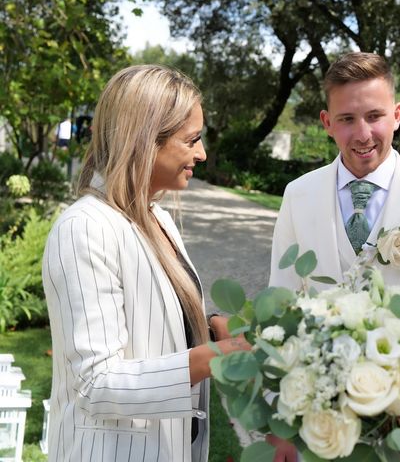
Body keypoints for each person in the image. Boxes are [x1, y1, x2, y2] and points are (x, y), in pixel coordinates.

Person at [42, 65, 250, 462]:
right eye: (192, 140)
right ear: (145, 141)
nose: (202, 154)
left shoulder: (157, 217)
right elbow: (97, 383)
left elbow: (151, 320)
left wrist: (209, 329)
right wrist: (224, 354)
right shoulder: (85, 229)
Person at [270, 52, 400, 292]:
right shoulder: (297, 194)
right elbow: (281, 295)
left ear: (397, 116)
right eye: (347, 119)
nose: (363, 135)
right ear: (327, 122)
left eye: (374, 116)